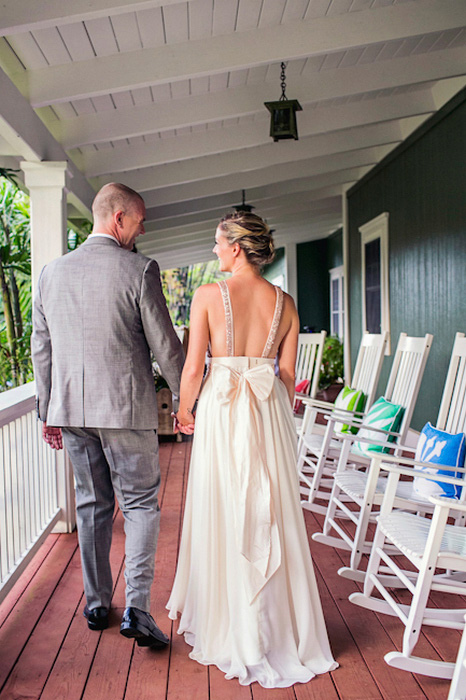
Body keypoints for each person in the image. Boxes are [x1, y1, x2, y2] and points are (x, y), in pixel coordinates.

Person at [167, 212, 338, 687]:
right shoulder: (285, 302)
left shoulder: (207, 296)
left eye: (217, 244)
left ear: (236, 248)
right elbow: (288, 379)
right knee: (271, 511)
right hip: (267, 414)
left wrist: (185, 412)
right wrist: (269, 415)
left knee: (225, 507)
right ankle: (277, 629)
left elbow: (193, 368)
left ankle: (234, 626)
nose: (214, 251)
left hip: (222, 412)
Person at [31, 183, 184, 648]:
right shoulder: (139, 269)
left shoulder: (50, 273)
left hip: (72, 410)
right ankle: (137, 608)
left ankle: (97, 602)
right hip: (125, 409)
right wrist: (186, 400)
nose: (142, 230)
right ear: (119, 219)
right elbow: (165, 346)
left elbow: (42, 348)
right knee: (139, 504)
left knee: (92, 504)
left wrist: (47, 410)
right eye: (139, 221)